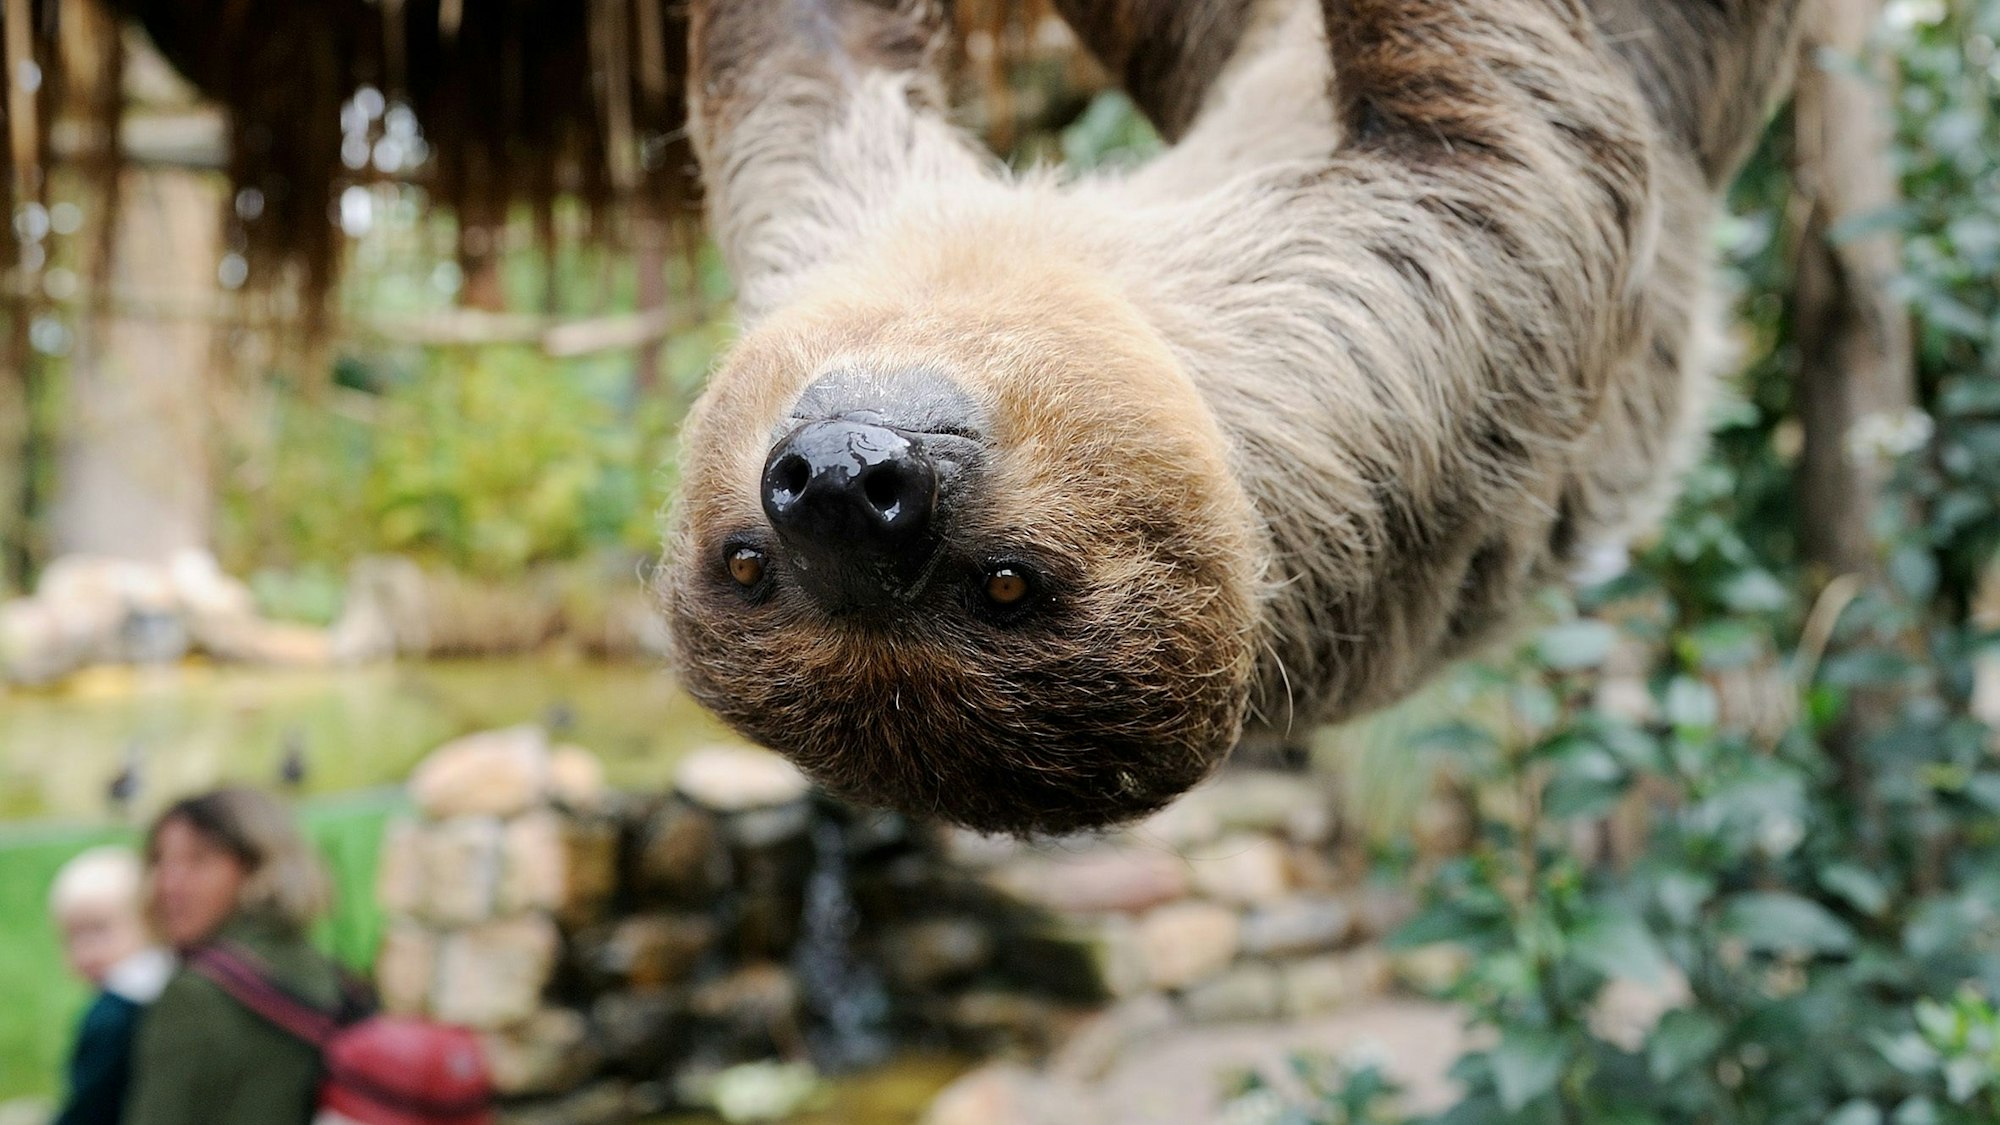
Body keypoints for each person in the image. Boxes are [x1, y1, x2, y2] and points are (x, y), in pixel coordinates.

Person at [124, 788, 346, 1125]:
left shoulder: (193, 994)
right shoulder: (324, 971)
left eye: (198, 860)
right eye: (160, 860)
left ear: (257, 867)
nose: (169, 883)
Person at [48, 846, 174, 1125]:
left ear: (148, 922)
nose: (86, 950)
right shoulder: (176, 986)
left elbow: (89, 1108)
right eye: (72, 936)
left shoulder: (112, 1016)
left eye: (99, 930)